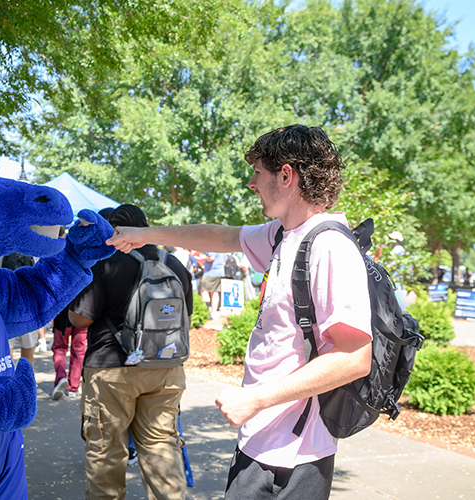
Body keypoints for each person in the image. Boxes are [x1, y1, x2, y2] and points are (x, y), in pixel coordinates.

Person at [107, 125, 372, 500]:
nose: (251, 183)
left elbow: (354, 357)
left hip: (293, 453)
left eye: (258, 174)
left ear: (286, 175)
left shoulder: (329, 246)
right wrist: (144, 234)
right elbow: (221, 237)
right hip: (262, 436)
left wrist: (257, 399)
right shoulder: (285, 234)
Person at [69, 204, 193, 500]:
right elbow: (185, 318)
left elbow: (80, 319)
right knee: (162, 447)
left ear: (113, 230)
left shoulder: (106, 262)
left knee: (106, 454)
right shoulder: (173, 263)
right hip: (165, 368)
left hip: (111, 368)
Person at [200, 252, 227, 318]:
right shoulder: (222, 246)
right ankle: (214, 312)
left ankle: (206, 310)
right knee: (215, 292)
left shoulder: (213, 244)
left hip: (210, 272)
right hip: (220, 272)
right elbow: (225, 259)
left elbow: (211, 258)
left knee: (203, 290)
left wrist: (203, 257)